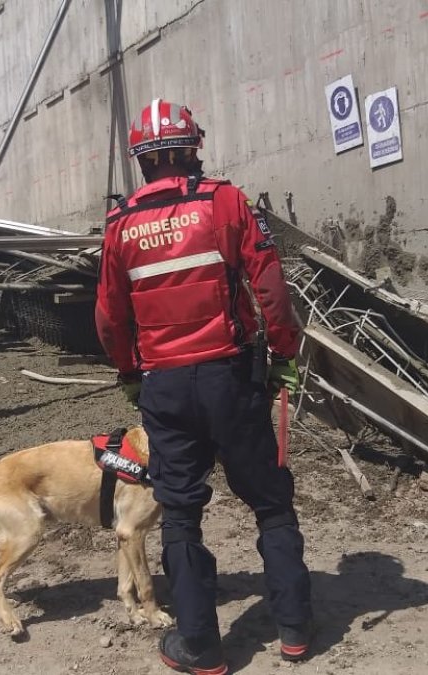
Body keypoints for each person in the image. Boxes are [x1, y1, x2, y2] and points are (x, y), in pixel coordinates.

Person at [95, 99, 313, 674]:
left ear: (141, 161)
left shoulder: (119, 227)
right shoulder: (225, 201)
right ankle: (294, 630)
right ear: (194, 149)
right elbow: (270, 284)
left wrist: (128, 373)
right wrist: (285, 354)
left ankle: (201, 648)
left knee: (182, 514)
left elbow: (111, 317)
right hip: (232, 377)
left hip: (164, 387)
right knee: (270, 502)